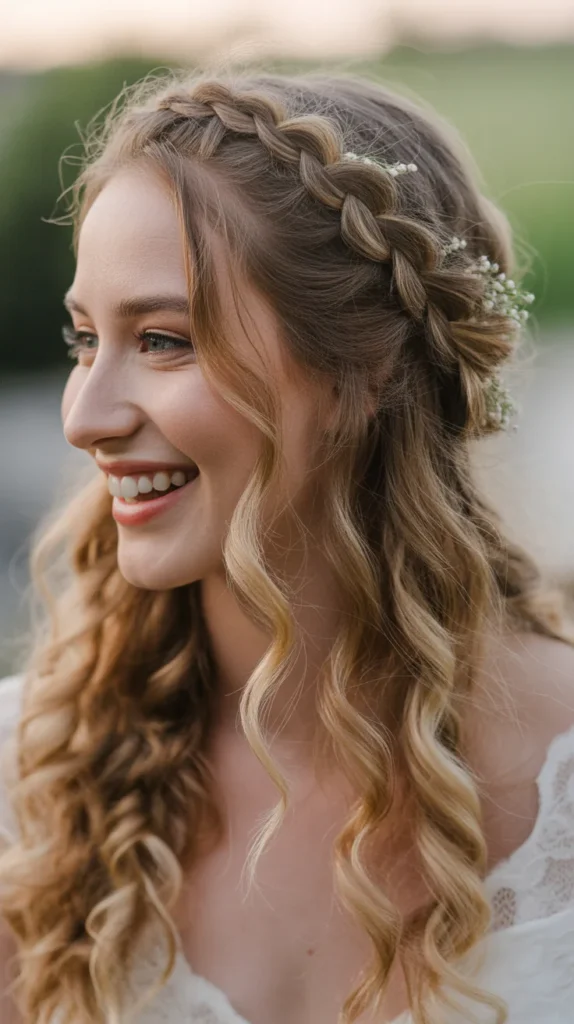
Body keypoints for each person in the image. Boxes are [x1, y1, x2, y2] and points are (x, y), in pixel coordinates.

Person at [0, 67, 573, 1024]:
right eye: (84, 340)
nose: (86, 416)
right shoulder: (29, 778)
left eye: (164, 341)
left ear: (364, 371)